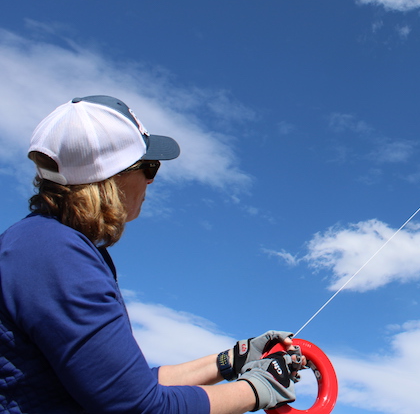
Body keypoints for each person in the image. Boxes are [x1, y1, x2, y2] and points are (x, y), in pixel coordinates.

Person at [0, 96, 304, 413]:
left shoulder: (41, 244)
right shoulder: (57, 257)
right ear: (111, 176)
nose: (151, 180)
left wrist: (231, 360)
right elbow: (139, 407)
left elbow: (123, 386)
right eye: (148, 167)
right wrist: (259, 389)